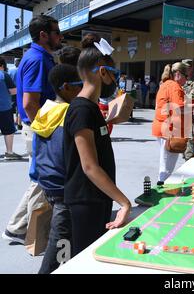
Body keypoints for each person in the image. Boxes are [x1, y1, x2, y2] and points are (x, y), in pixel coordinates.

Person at [63, 34, 131, 257]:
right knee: (86, 260)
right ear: (102, 72)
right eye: (115, 75)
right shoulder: (81, 110)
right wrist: (123, 202)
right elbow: (89, 167)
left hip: (97, 198)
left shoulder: (91, 109)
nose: (115, 81)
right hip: (86, 201)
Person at [2, 15, 63, 244]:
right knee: (42, 179)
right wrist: (47, 130)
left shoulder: (38, 56)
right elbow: (29, 103)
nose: (60, 36)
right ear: (43, 35)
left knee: (40, 179)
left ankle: (19, 227)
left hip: (35, 126)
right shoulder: (37, 59)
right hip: (38, 128)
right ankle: (19, 227)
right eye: (56, 32)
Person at [31, 64, 82, 273]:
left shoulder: (46, 109)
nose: (82, 90)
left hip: (48, 182)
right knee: (59, 241)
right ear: (67, 87)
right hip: (64, 186)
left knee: (65, 236)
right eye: (80, 85)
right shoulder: (69, 113)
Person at [152, 62, 189, 185]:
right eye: (186, 76)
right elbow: (179, 108)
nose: (187, 80)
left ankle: (162, 186)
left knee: (165, 163)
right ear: (178, 74)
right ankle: (162, 190)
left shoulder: (165, 84)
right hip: (169, 130)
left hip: (162, 128)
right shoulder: (174, 86)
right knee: (167, 168)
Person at [0, 57, 21, 160]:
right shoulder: (4, 75)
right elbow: (13, 91)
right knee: (8, 131)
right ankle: (9, 153)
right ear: (2, 65)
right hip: (4, 108)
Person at [182, 59, 194, 161]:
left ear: (191, 69)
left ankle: (189, 160)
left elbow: (192, 98)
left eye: (186, 68)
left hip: (191, 114)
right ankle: (186, 156)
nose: (184, 70)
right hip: (180, 113)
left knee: (190, 138)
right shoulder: (180, 81)